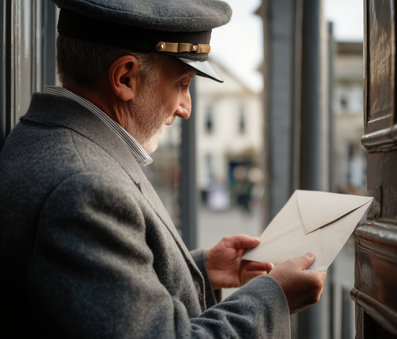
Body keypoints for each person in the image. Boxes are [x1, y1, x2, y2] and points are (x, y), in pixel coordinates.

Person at [0, 0, 326, 337]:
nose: (186, 108)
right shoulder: (85, 189)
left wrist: (199, 270)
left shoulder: (58, 144)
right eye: (182, 84)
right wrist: (274, 298)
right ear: (125, 77)